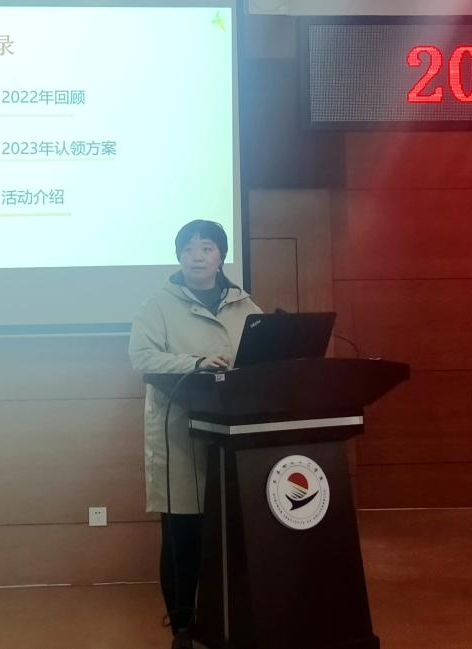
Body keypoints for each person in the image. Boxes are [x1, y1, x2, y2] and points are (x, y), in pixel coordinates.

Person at [128, 220, 261, 649]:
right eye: (188, 248)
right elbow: (141, 357)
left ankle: (231, 618)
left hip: (235, 437)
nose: (197, 255)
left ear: (221, 255)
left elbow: (265, 356)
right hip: (180, 437)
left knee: (232, 532)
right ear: (178, 256)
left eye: (207, 247)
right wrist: (195, 363)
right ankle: (183, 626)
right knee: (182, 535)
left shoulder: (245, 305)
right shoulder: (157, 305)